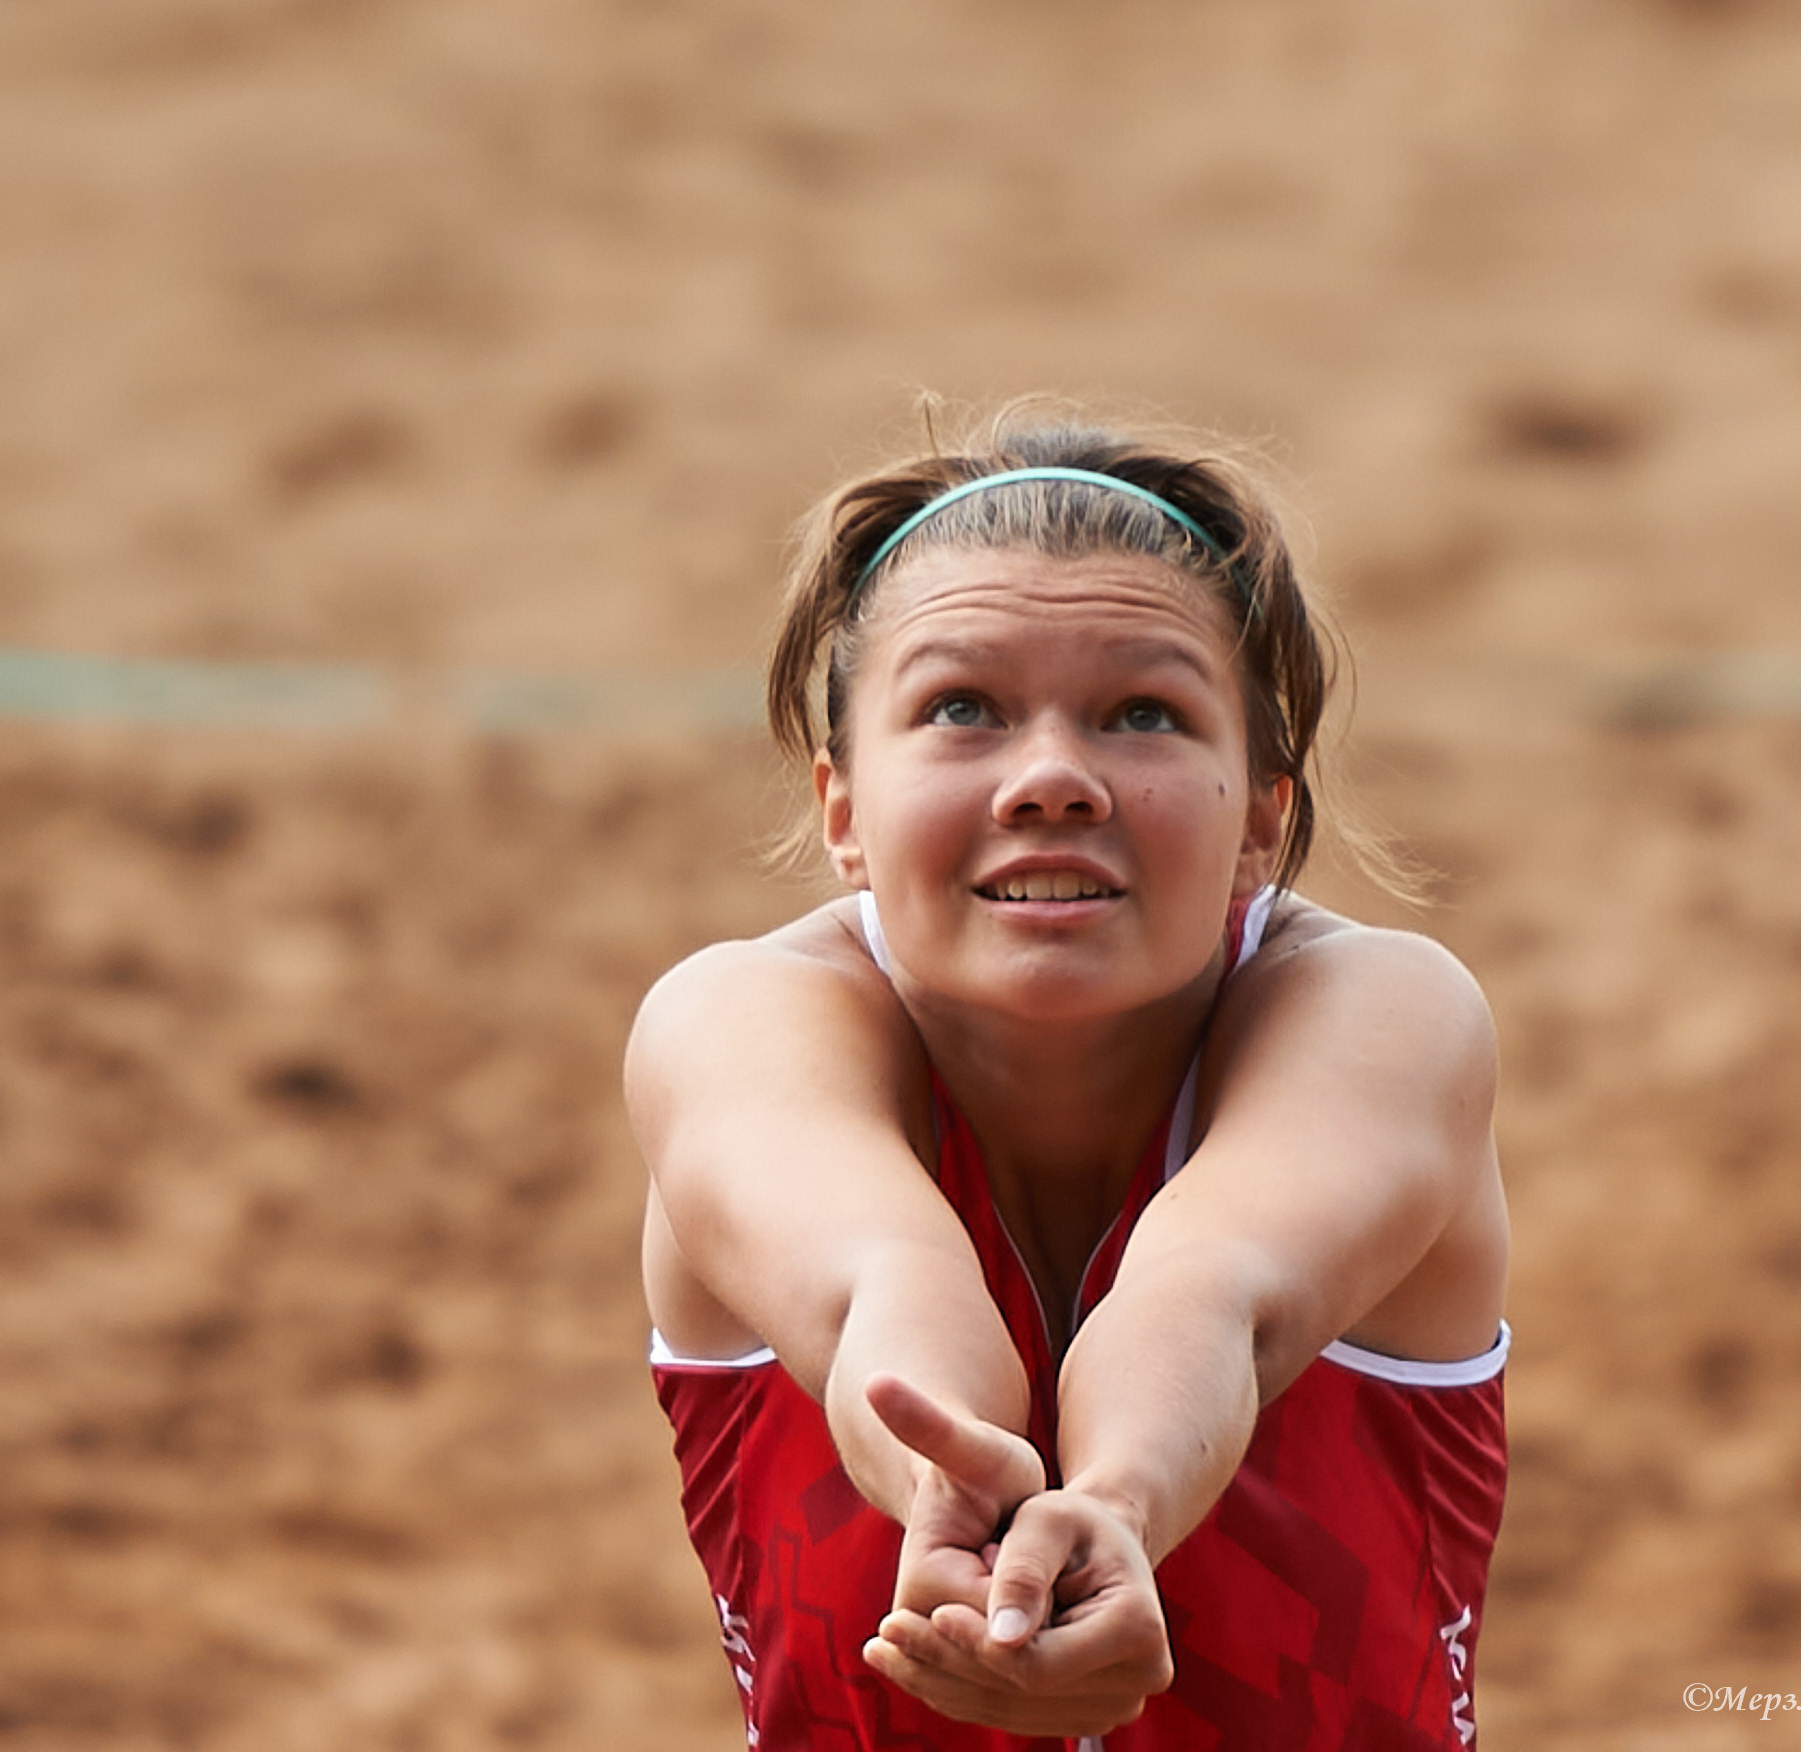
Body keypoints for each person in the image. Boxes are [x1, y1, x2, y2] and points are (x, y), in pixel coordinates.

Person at [625, 412, 1508, 1750]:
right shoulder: (733, 1025)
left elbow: (1213, 1290)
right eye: (960, 709)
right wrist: (950, 1484)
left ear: (1262, 811)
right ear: (842, 809)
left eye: (1141, 713)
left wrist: (1115, 1513)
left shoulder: (1384, 1016)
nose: (1050, 779)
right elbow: (882, 1282)